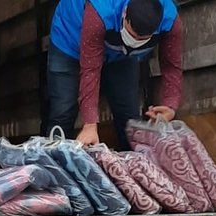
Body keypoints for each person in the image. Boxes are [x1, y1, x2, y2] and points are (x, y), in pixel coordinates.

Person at [47, 0, 183, 150]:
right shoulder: (101, 11)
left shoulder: (170, 20)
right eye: (132, 35)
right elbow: (90, 70)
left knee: (129, 117)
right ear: (125, 14)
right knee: (62, 111)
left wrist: (171, 105)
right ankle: (52, 165)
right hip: (70, 41)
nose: (135, 42)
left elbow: (171, 65)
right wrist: (90, 125)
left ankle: (134, 168)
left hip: (120, 55)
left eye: (142, 39)